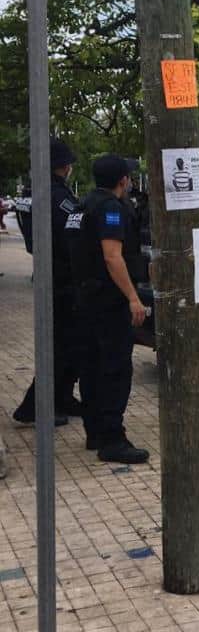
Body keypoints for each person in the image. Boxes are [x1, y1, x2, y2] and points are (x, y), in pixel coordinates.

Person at [68, 154, 149, 464]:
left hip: (85, 299)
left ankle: (96, 432)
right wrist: (132, 297)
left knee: (91, 367)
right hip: (107, 302)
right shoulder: (110, 208)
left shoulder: (81, 205)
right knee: (114, 369)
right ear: (122, 180)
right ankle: (112, 439)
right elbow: (112, 256)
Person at [11, 140, 85, 427]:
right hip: (63, 277)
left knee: (69, 343)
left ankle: (62, 398)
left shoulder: (32, 194)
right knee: (61, 345)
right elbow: (72, 232)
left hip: (49, 273)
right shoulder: (55, 195)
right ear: (64, 166)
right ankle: (34, 406)